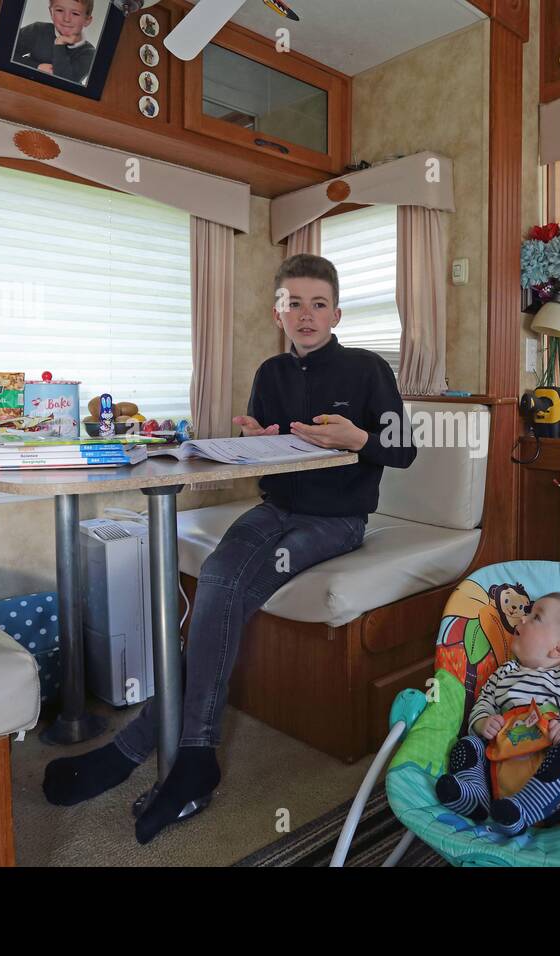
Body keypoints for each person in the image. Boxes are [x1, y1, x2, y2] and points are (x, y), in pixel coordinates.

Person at [43, 254, 417, 844]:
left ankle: (144, 746)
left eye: (318, 303)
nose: (306, 314)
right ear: (278, 313)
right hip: (275, 508)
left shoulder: (368, 369)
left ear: (337, 312)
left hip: (337, 520)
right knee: (219, 574)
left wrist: (359, 437)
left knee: (236, 583)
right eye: (293, 303)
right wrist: (257, 441)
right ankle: (191, 756)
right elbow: (264, 442)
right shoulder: (270, 372)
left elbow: (402, 451)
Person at [436, 593, 560, 835]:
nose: (523, 619)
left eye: (536, 617)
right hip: (500, 773)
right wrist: (483, 721)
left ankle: (524, 810)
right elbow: (484, 702)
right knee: (468, 744)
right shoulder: (504, 673)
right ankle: (476, 795)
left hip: (556, 791)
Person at [13, 0, 98, 85]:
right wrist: (36, 67)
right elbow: (5, 52)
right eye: (60, 10)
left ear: (87, 20)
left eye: (75, 13)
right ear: (51, 12)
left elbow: (67, 81)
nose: (66, 19)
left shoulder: (89, 53)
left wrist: (59, 43)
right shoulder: (38, 29)